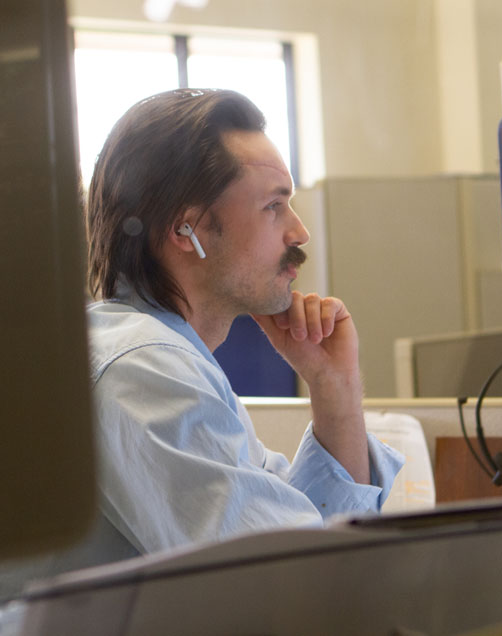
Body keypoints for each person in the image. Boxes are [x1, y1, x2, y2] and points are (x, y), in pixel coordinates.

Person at [83, 88, 403, 556]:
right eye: (274, 206)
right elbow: (295, 580)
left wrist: (334, 388)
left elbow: (308, 532)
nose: (300, 232)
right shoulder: (143, 369)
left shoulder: (172, 361)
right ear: (185, 232)